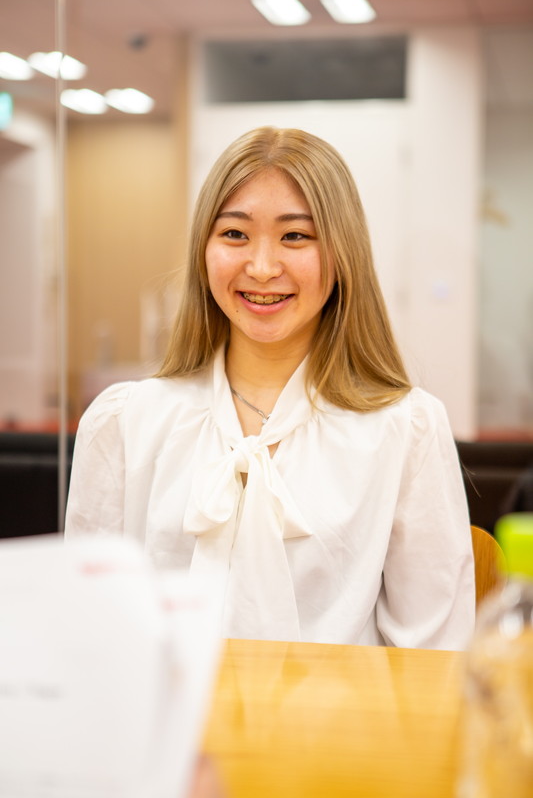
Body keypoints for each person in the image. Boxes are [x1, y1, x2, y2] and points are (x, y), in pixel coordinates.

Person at [65, 126, 475, 649]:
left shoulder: (405, 429)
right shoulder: (124, 422)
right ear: (203, 250)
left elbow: (436, 653)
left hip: (344, 706)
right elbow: (90, 635)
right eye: (235, 234)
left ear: (343, 253)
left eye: (295, 236)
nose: (261, 268)